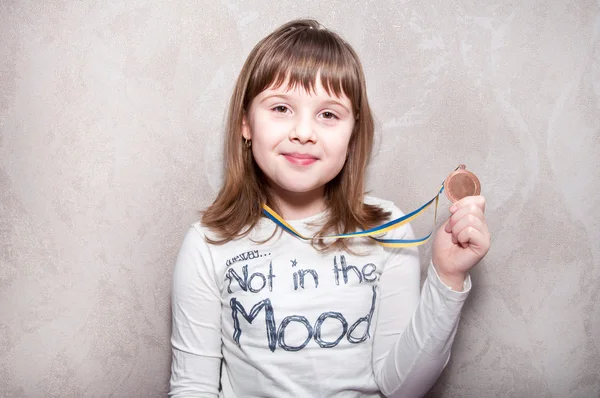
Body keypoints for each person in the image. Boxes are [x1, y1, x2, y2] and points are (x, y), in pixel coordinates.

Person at [169, 19, 491, 398]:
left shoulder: (389, 233)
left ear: (353, 134)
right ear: (246, 123)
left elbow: (401, 387)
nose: (304, 132)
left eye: (328, 114)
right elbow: (193, 388)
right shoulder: (208, 245)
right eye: (281, 108)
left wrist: (447, 277)